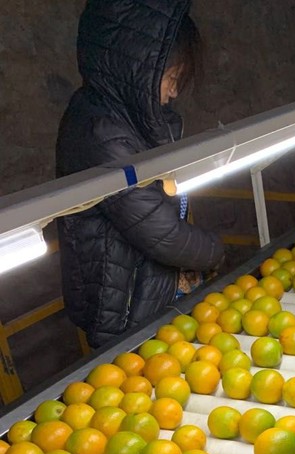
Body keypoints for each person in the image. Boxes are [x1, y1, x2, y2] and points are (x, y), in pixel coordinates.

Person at [56, 0, 224, 348]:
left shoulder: (130, 116)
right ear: (138, 70)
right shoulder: (101, 132)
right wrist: (217, 252)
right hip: (122, 310)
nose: (173, 93)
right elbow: (161, 233)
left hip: (143, 297)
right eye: (171, 79)